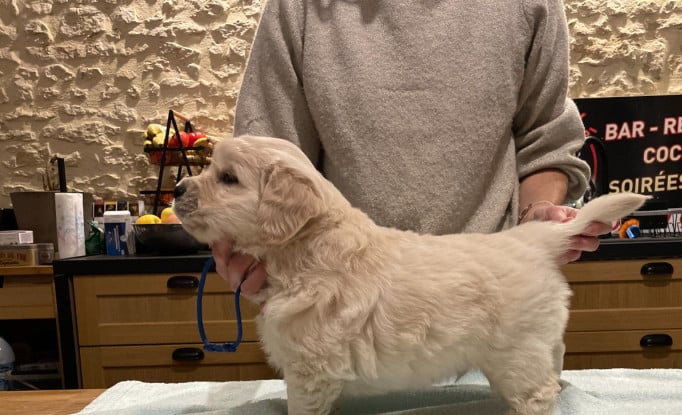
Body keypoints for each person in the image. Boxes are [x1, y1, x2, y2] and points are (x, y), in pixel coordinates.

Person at [213, 0, 607, 296]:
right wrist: (246, 245)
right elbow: (265, 164)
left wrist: (535, 213)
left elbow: (545, 138)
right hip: (345, 311)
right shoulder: (298, 8)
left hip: (490, 300)